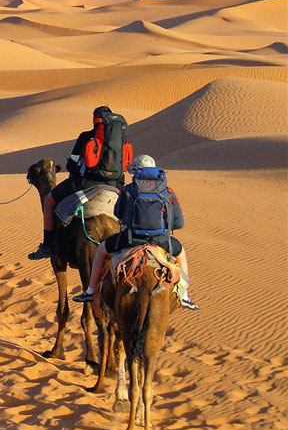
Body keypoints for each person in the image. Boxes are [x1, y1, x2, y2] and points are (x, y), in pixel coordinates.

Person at [73, 155, 199, 310]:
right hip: (160, 240)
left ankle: (91, 291)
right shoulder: (168, 192)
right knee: (181, 253)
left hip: (130, 239)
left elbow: (118, 213)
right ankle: (184, 295)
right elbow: (179, 223)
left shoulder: (128, 189)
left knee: (101, 250)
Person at [27, 106, 132, 260]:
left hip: (86, 185)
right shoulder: (122, 142)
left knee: (49, 200)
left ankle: (47, 246)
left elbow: (72, 165)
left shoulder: (86, 137)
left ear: (95, 120)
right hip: (115, 187)